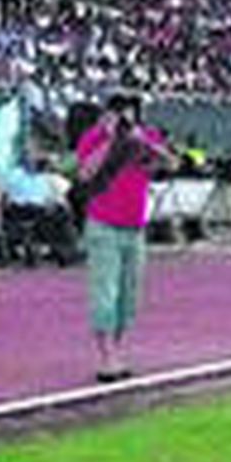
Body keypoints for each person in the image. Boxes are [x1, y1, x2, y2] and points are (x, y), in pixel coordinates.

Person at [74, 91, 178, 382]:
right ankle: (107, 357)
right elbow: (85, 174)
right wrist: (108, 140)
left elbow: (169, 163)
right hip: (104, 225)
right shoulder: (93, 139)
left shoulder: (144, 138)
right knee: (104, 293)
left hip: (134, 227)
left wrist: (141, 141)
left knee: (128, 297)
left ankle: (115, 351)